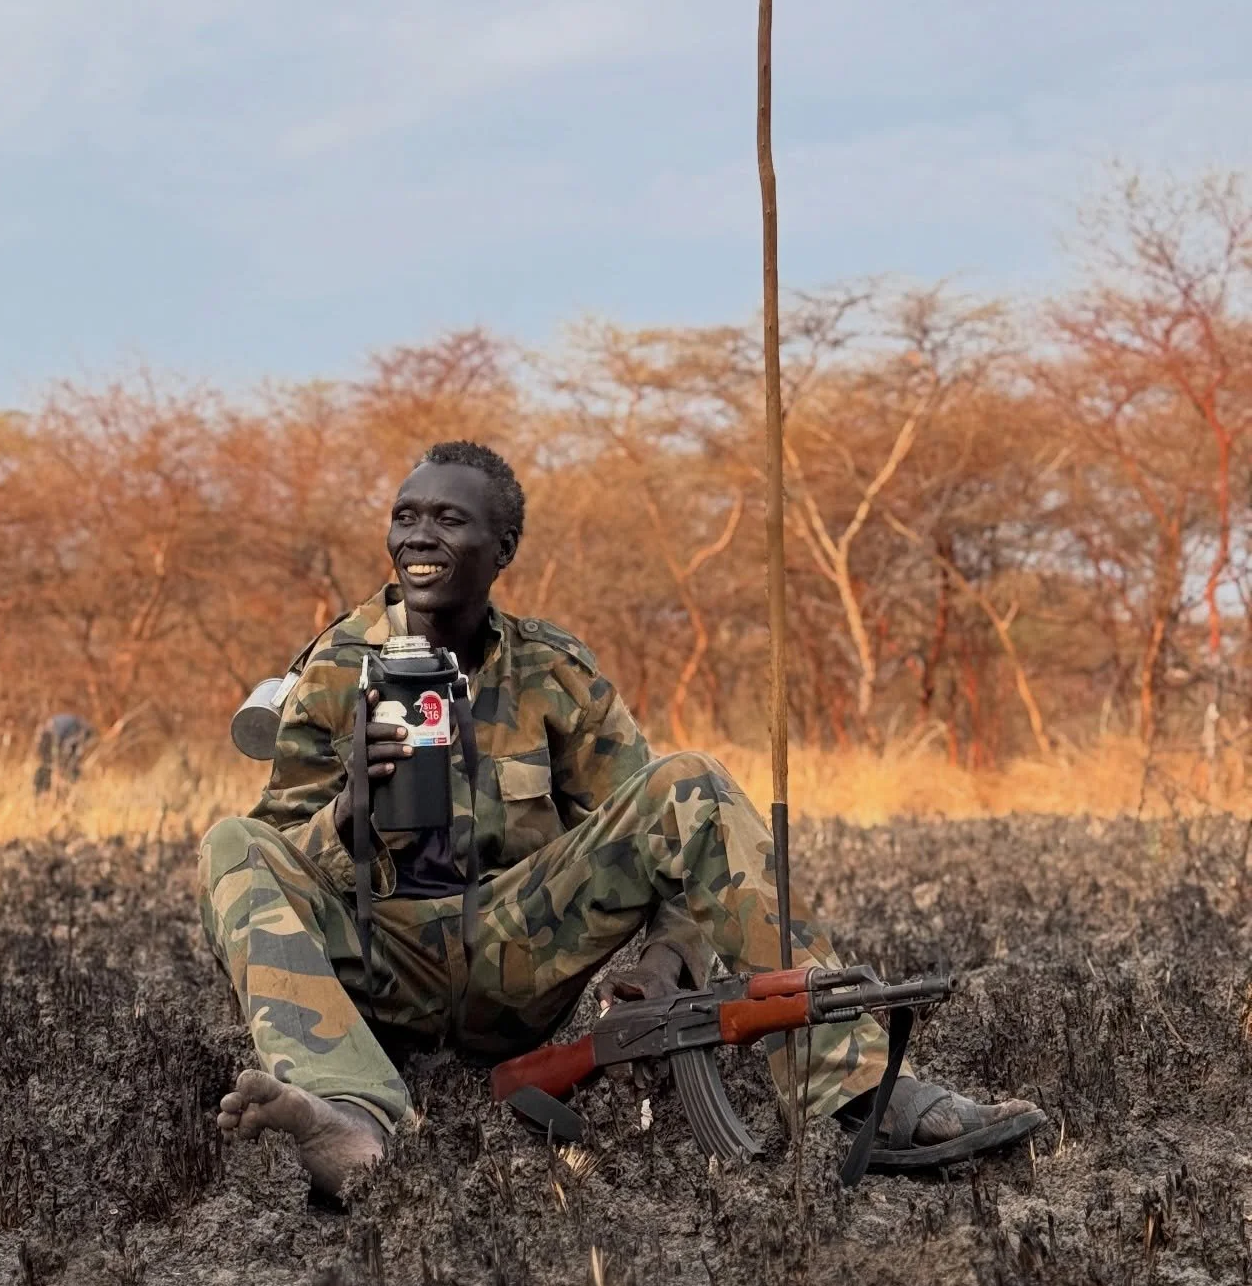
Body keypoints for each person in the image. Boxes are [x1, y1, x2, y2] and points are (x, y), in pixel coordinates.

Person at [198, 441, 1043, 1196]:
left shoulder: (553, 671)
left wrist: (669, 960)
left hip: (511, 959)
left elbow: (661, 833)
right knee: (228, 842)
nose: (419, 536)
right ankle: (349, 1112)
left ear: (503, 550)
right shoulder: (335, 668)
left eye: (449, 520)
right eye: (405, 517)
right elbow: (279, 856)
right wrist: (344, 820)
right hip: (379, 965)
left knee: (691, 782)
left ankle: (859, 1089)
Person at [32, 713, 96, 796]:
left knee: (62, 768)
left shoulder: (61, 728)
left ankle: (60, 790)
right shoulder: (69, 728)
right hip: (61, 740)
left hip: (66, 738)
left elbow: (61, 749)